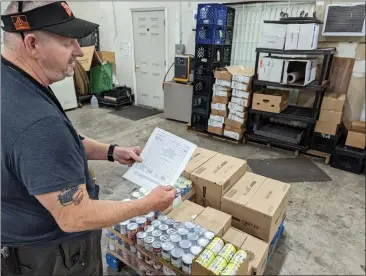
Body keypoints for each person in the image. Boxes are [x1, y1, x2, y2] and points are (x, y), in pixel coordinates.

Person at [1, 1, 176, 275]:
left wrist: (111, 151)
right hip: (54, 255)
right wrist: (147, 205)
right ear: (32, 44)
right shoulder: (38, 122)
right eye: (67, 42)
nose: (78, 51)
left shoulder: (12, 79)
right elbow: (75, 216)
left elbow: (65, 139)